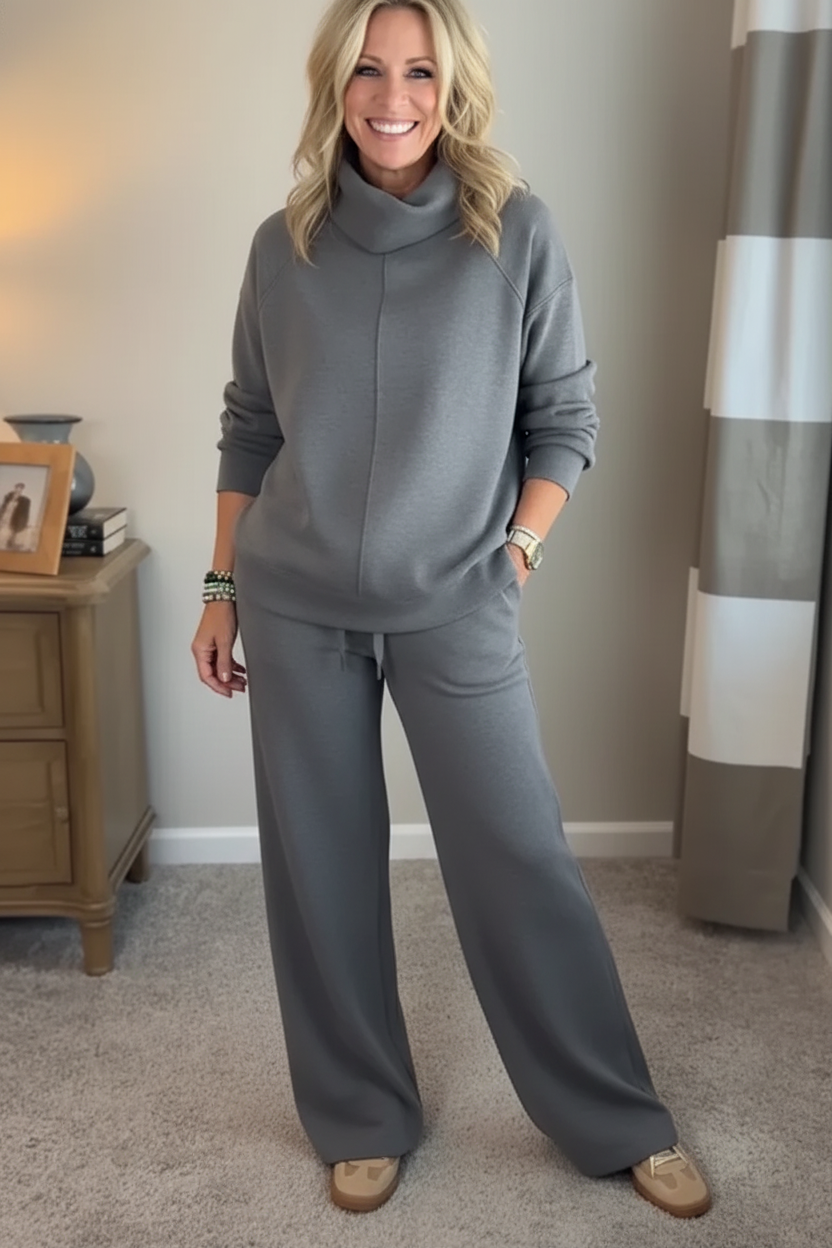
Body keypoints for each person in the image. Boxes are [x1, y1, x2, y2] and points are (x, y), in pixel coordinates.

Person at [192, 0, 711, 1219]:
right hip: (296, 602)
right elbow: (250, 425)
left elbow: (564, 418)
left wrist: (516, 551)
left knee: (516, 857)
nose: (393, 98)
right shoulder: (282, 245)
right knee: (320, 869)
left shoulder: (514, 231)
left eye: (419, 72)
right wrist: (221, 590)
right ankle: (360, 1114)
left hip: (455, 601)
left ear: (453, 86)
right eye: (369, 71)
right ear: (335, 85)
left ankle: (614, 1115)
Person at [0, 482, 31, 550]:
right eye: (17, 488)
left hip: (13, 519)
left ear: (22, 490)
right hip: (5, 517)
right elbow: (3, 507)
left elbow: (24, 513)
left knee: (11, 534)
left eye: (20, 489)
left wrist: (23, 523)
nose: (18, 490)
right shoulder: (8, 497)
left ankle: (9, 545)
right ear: (15, 488)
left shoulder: (24, 500)